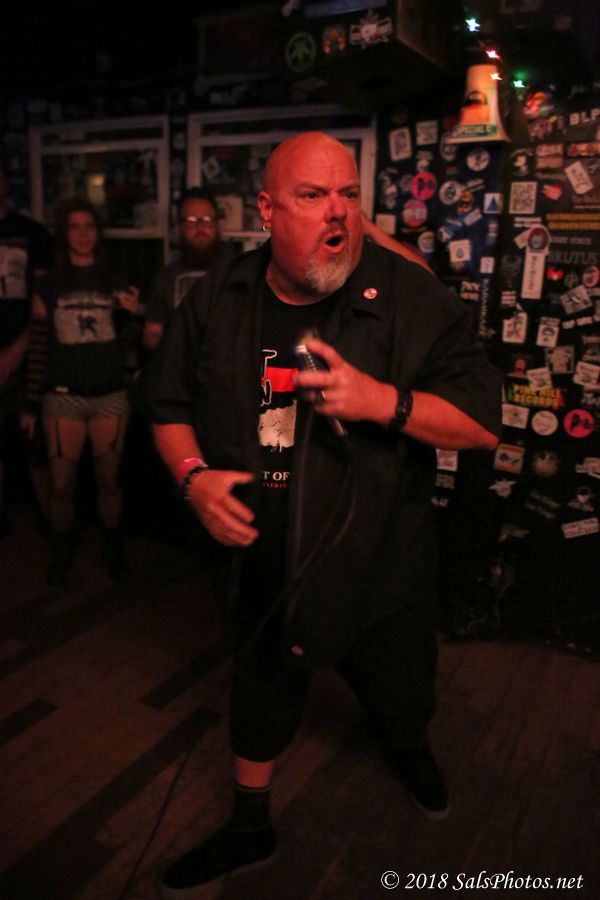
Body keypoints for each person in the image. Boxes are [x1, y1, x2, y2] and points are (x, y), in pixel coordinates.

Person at [143, 132, 501, 898]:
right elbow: (166, 406)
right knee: (259, 698)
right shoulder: (218, 298)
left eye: (348, 195)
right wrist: (194, 479)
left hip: (382, 569)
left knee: (402, 698)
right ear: (267, 210)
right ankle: (250, 827)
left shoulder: (407, 298)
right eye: (312, 196)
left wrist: (383, 402)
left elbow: (482, 422)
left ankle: (408, 748)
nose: (338, 212)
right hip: (265, 565)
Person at [20, 199, 142, 584]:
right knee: (61, 485)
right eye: (74, 226)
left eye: (89, 225)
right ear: (64, 233)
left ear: (98, 232)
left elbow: (125, 344)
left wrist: (132, 316)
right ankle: (62, 545)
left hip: (109, 394)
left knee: (109, 480)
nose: (83, 233)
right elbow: (39, 347)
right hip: (62, 396)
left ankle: (112, 546)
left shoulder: (114, 279)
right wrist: (30, 403)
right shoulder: (48, 284)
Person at [0, 155, 53, 535]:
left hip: (27, 351)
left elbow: (44, 298)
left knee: (36, 443)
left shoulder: (31, 233)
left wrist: (18, 349)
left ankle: (53, 521)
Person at [142, 187, 232, 352]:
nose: (200, 227)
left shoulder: (240, 272)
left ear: (217, 225)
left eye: (207, 219)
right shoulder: (165, 278)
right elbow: (152, 333)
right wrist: (174, 352)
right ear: (179, 228)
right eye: (191, 221)